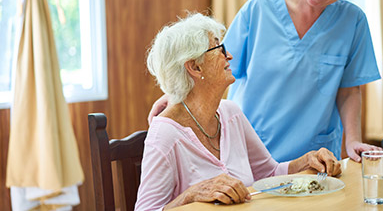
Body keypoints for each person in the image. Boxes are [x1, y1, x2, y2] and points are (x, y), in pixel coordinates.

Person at [135, 13, 342, 210]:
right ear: (195, 68)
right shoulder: (165, 135)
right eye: (219, 48)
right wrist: (190, 195)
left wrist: (308, 160)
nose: (230, 55)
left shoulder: (230, 113)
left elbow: (269, 173)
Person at [222, 0, 382, 163]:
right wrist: (181, 105)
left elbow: (348, 91)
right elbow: (219, 71)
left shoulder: (353, 23)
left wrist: (353, 140)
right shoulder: (259, 9)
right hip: (251, 152)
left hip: (315, 158)